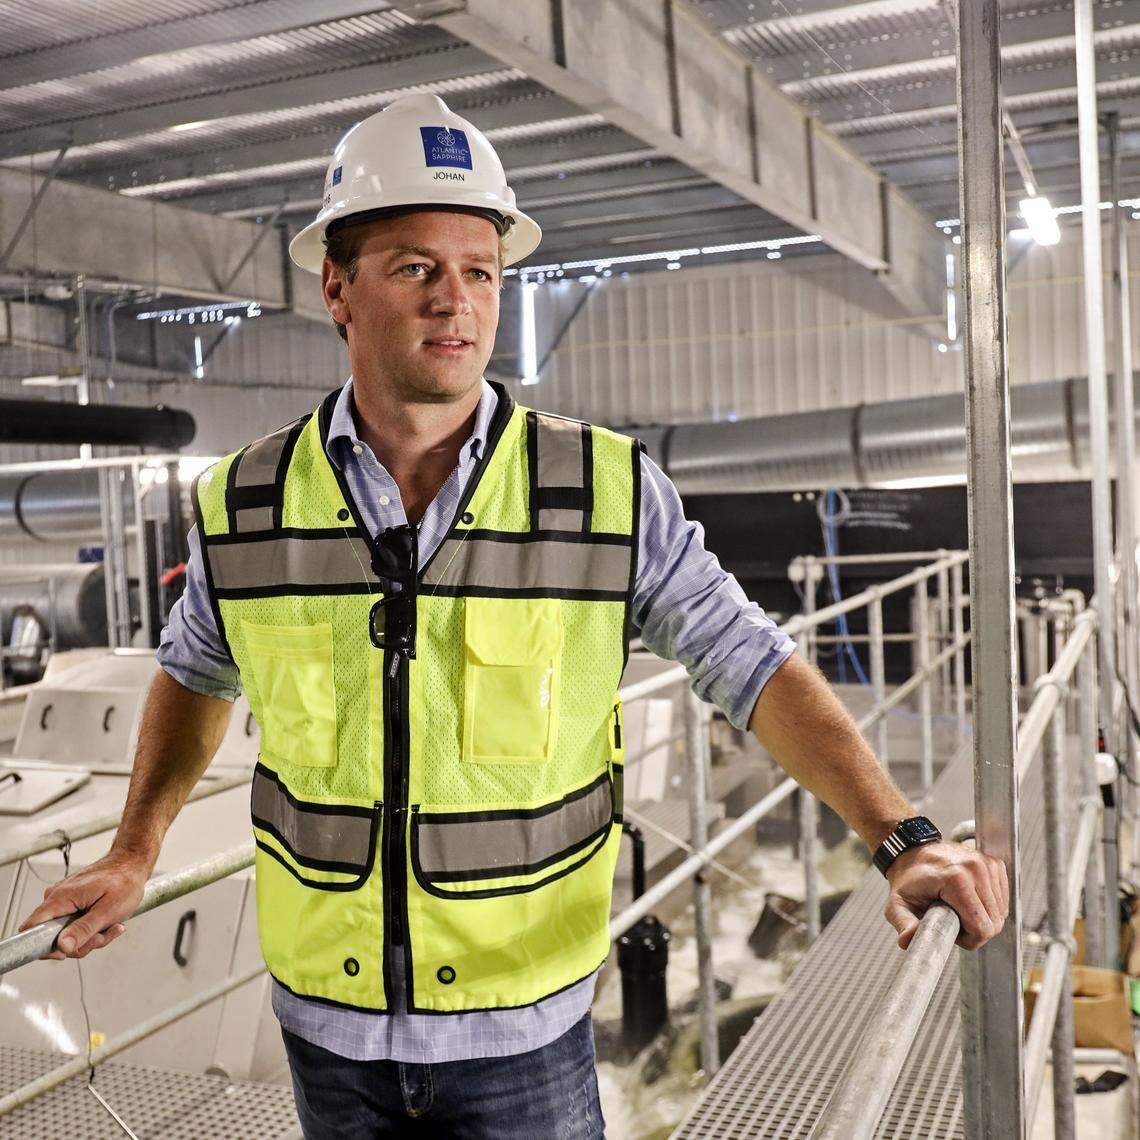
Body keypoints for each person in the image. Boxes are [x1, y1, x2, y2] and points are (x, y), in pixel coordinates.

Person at [19, 94, 1008, 1139]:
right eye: (416, 268)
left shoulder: (604, 492)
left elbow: (748, 663)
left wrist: (901, 838)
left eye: (482, 272)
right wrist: (134, 851)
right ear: (338, 287)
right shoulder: (245, 502)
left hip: (523, 1034)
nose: (457, 301)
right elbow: (194, 672)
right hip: (325, 1030)